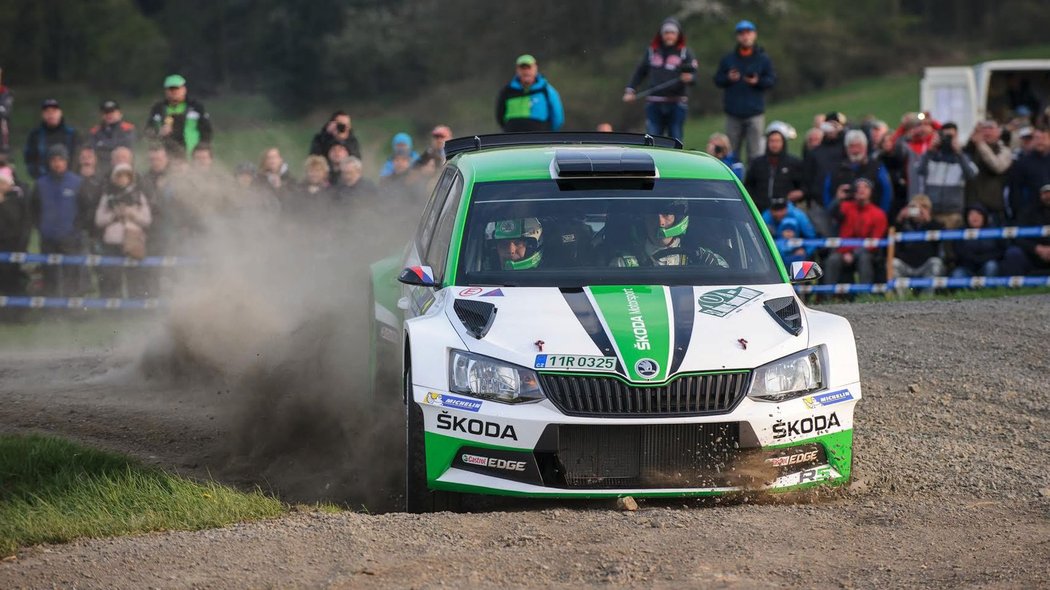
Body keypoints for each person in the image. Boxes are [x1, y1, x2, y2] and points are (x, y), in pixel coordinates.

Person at [622, 17, 698, 142]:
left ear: (678, 35)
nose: (669, 36)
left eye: (672, 33)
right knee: (653, 140)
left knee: (676, 139)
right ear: (661, 34)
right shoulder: (652, 51)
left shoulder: (685, 53)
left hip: (677, 103)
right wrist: (630, 90)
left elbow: (694, 77)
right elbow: (640, 72)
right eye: (666, 32)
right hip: (654, 103)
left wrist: (689, 78)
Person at [713, 20, 776, 164]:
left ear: (754, 35)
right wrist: (728, 78)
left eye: (748, 33)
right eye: (742, 34)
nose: (745, 37)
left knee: (755, 154)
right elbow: (717, 80)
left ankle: (752, 185)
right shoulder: (728, 59)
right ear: (737, 37)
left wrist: (757, 81)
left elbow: (772, 80)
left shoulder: (763, 59)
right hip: (733, 114)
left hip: (755, 113)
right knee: (730, 153)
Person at [30, 145, 85, 296]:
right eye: (53, 159)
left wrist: (76, 229)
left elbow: (84, 209)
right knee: (49, 275)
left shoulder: (77, 182)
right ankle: (52, 312)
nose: (57, 163)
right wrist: (41, 228)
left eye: (61, 159)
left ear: (67, 161)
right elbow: (34, 209)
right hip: (48, 239)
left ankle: (72, 312)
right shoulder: (40, 184)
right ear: (49, 162)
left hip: (71, 239)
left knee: (71, 275)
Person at [610, 202, 729, 268]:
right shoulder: (623, 264)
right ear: (644, 220)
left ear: (678, 219)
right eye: (653, 216)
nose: (660, 222)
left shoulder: (703, 259)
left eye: (666, 214)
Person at [94, 163, 152, 297]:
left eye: (126, 176)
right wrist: (114, 215)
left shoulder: (139, 196)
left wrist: (132, 215)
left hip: (133, 242)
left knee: (135, 278)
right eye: (119, 176)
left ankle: (135, 310)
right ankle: (114, 312)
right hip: (113, 244)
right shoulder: (107, 196)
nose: (122, 179)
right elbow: (99, 220)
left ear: (130, 177)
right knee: (112, 279)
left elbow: (147, 220)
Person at [822, 178, 887, 286]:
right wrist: (838, 199)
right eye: (858, 188)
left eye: (865, 187)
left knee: (864, 259)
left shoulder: (878, 214)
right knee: (832, 260)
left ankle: (864, 295)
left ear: (871, 191)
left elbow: (875, 242)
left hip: (865, 252)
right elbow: (830, 215)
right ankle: (827, 297)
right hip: (843, 251)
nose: (861, 190)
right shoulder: (845, 206)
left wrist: (853, 253)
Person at [915, 123, 978, 229]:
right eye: (945, 137)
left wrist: (959, 153)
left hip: (952, 214)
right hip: (931, 212)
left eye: (951, 137)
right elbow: (919, 170)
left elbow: (971, 175)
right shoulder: (931, 156)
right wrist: (929, 151)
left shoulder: (963, 158)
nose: (947, 140)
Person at [824, 130, 893, 214]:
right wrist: (836, 200)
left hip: (871, 219)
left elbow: (887, 192)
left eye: (859, 146)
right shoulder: (836, 169)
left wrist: (882, 215)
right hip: (843, 220)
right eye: (852, 147)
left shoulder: (877, 166)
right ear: (846, 149)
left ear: (865, 147)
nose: (855, 150)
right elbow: (826, 193)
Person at [145, 74, 212, 156]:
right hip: (166, 156)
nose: (174, 92)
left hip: (192, 155)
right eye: (170, 89)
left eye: (176, 88)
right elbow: (148, 131)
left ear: (184, 89)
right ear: (165, 91)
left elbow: (207, 131)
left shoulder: (196, 107)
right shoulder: (158, 109)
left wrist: (202, 148)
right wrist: (160, 132)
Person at [496, 54, 564, 132]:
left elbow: (557, 118)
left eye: (529, 67)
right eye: (523, 68)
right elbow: (500, 116)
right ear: (517, 70)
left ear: (535, 68)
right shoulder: (507, 91)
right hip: (513, 139)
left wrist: (548, 135)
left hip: (540, 139)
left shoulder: (547, 90)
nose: (526, 71)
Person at [745, 123, 804, 212]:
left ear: (783, 142)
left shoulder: (793, 163)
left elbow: (803, 186)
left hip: (786, 210)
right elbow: (748, 185)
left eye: (777, 141)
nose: (774, 144)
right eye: (772, 141)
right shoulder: (757, 163)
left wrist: (800, 193)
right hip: (760, 210)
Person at [891, 195, 945, 292]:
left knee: (936, 263)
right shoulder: (902, 224)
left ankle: (927, 298)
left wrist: (928, 220)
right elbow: (890, 235)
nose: (919, 210)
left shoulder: (934, 224)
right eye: (915, 207)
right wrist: (899, 218)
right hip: (906, 265)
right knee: (893, 263)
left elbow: (940, 239)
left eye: (924, 207)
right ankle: (901, 300)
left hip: (925, 266)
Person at [963, 120, 1012, 225]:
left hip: (992, 207)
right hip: (972, 205)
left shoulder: (1004, 150)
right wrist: (972, 139)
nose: (987, 132)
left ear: (999, 132)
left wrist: (981, 145)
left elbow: (998, 166)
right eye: (984, 129)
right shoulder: (972, 148)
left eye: (991, 129)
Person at [1001, 184, 1050, 276]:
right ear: (1040, 195)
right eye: (1046, 193)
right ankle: (1015, 287)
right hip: (1033, 254)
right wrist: (1036, 248)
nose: (1048, 196)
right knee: (1013, 253)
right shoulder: (1028, 212)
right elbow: (1018, 237)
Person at [24, 99, 80, 179]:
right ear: (42, 115)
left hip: (69, 180)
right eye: (47, 112)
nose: (51, 114)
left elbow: (78, 157)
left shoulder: (72, 134)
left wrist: (72, 177)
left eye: (54, 111)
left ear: (60, 113)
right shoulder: (35, 135)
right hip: (44, 180)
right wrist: (39, 178)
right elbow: (29, 159)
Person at [1007, 128, 1050, 220]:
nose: (1040, 141)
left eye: (1043, 138)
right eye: (1037, 138)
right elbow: (1015, 190)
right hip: (1033, 215)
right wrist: (1019, 212)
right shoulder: (1023, 163)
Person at [0, 166, 30, 295]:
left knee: (12, 280)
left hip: (12, 244)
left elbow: (14, 221)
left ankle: (16, 312)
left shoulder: (17, 197)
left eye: (2, 183)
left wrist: (3, 204)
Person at [951, 205, 1003, 279]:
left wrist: (983, 258)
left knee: (992, 266)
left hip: (987, 264)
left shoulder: (994, 230)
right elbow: (958, 252)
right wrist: (973, 259)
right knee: (957, 274)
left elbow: (1000, 251)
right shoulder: (960, 232)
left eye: (978, 214)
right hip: (967, 267)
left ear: (984, 217)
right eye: (971, 214)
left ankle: (988, 290)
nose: (975, 217)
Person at [89, 100, 136, 176]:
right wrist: (114, 144)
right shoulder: (95, 131)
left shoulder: (128, 128)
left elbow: (127, 145)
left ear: (120, 114)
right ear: (102, 115)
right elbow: (94, 149)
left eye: (112, 112)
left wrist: (103, 144)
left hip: (125, 169)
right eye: (106, 112)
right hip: (102, 170)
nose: (109, 115)